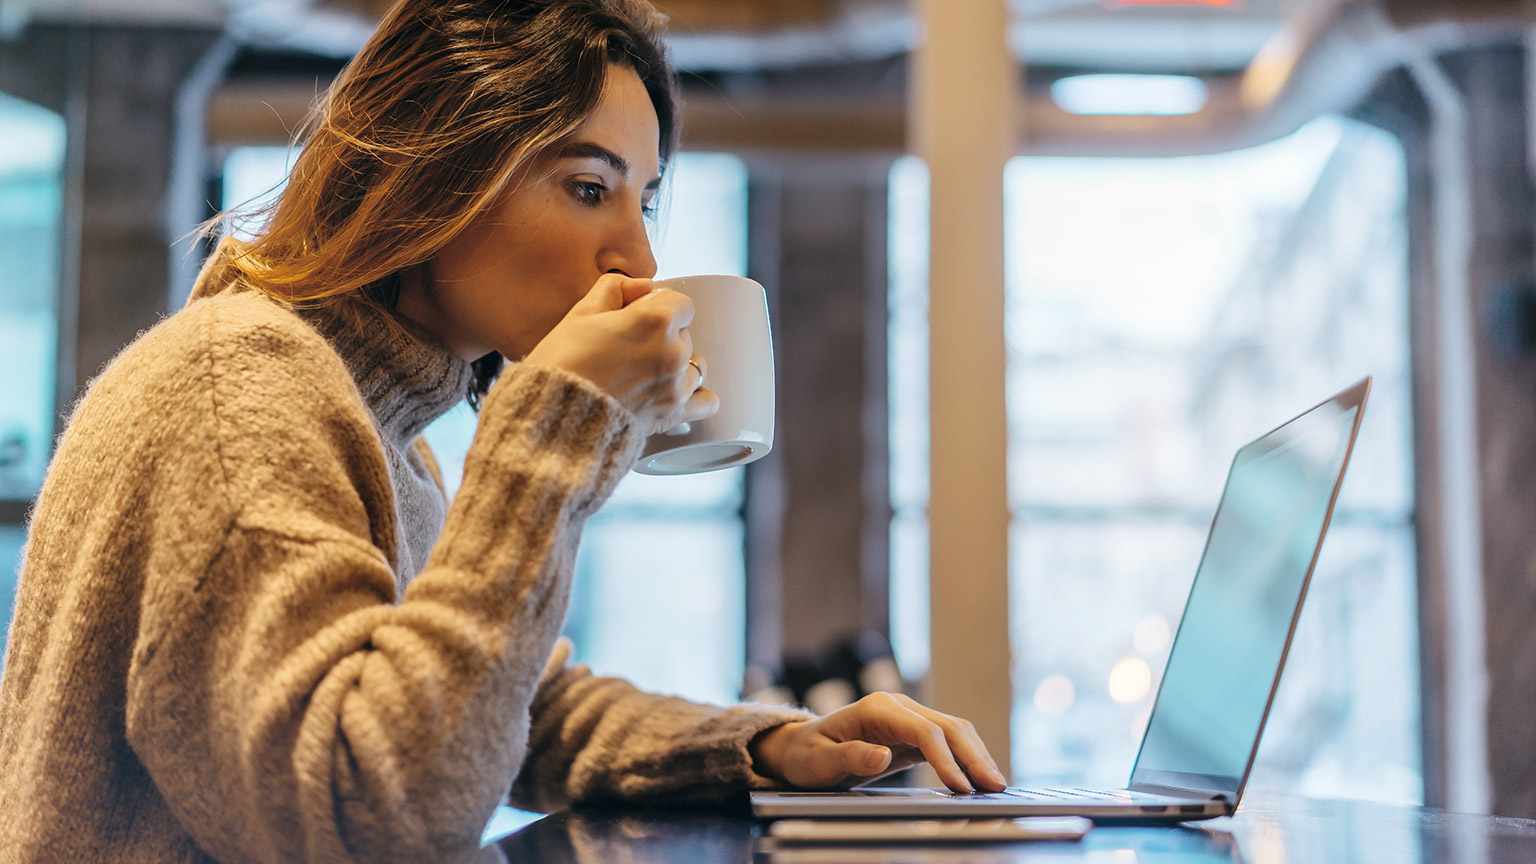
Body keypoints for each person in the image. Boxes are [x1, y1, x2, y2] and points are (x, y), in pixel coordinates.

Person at [0, 0, 1006, 860]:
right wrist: (555, 435)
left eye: (644, 197)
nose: (638, 255)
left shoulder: (374, 425)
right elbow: (373, 811)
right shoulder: (242, 390)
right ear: (441, 172)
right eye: (588, 186)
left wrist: (773, 745)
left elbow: (511, 713)